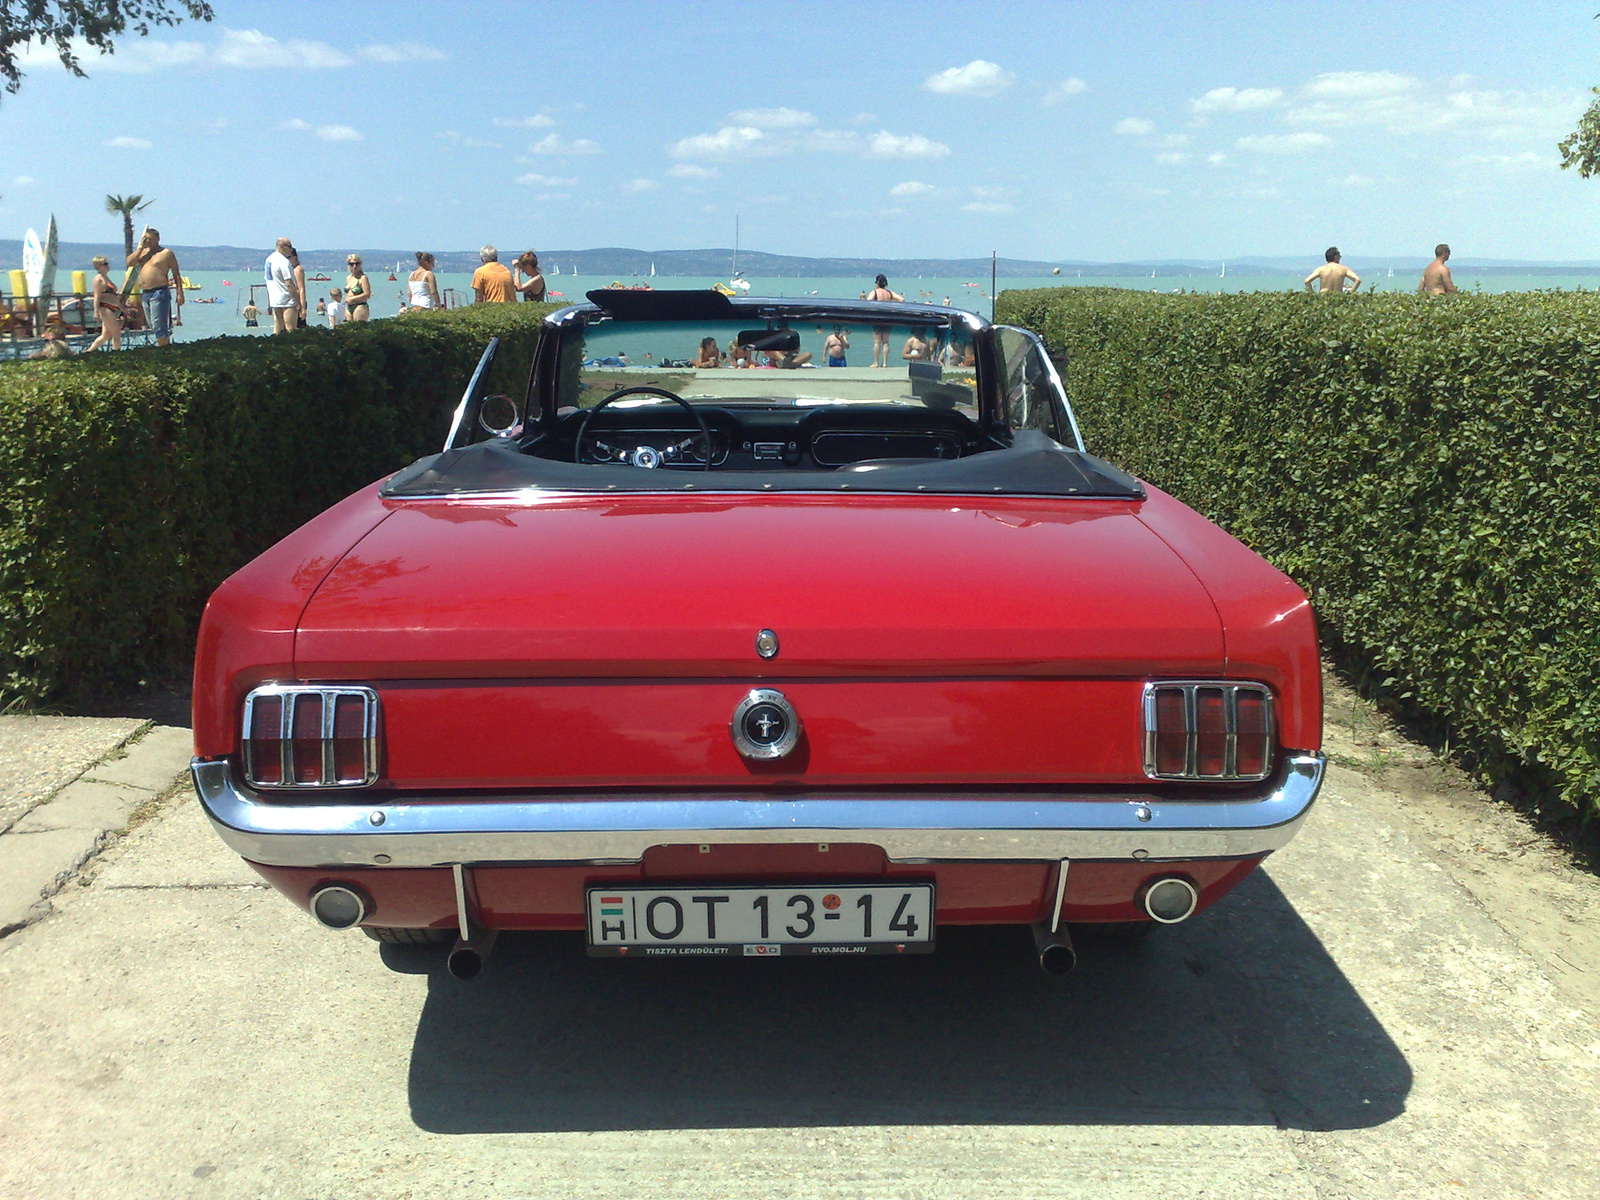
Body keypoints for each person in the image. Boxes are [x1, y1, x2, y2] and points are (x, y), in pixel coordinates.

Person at [128, 227, 183, 346]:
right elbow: (129, 263)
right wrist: (140, 247)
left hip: (159, 292)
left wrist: (180, 294)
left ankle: (163, 351)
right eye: (146, 239)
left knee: (159, 326)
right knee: (153, 325)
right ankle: (165, 346)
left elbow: (176, 274)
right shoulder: (142, 253)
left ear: (157, 239)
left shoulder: (166, 253)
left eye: (150, 239)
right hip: (145, 293)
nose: (148, 241)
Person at [85, 256, 124, 352]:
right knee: (116, 332)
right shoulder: (98, 280)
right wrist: (95, 311)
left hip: (112, 307)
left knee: (106, 335)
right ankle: (116, 352)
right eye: (105, 264)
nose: (108, 266)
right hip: (105, 308)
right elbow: (97, 296)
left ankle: (88, 351)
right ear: (98, 266)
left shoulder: (105, 278)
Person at [264, 237, 302, 333]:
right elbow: (289, 283)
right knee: (291, 328)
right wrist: (297, 301)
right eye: (289, 246)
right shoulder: (284, 262)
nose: (291, 249)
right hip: (287, 299)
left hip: (274, 299)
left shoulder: (269, 260)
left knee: (277, 326)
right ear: (281, 246)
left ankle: (273, 346)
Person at [864, 274, 903, 366]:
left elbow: (867, 302)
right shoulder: (889, 293)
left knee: (877, 342)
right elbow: (901, 299)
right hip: (888, 318)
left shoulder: (875, 292)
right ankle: (885, 362)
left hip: (877, 318)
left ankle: (876, 362)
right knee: (885, 342)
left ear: (877, 282)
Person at [344, 255, 373, 321]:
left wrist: (353, 298)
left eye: (357, 264)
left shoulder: (363, 278)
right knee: (349, 329)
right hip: (349, 307)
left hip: (360, 306)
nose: (354, 266)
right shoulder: (348, 278)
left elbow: (367, 294)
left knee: (359, 328)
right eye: (352, 264)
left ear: (360, 265)